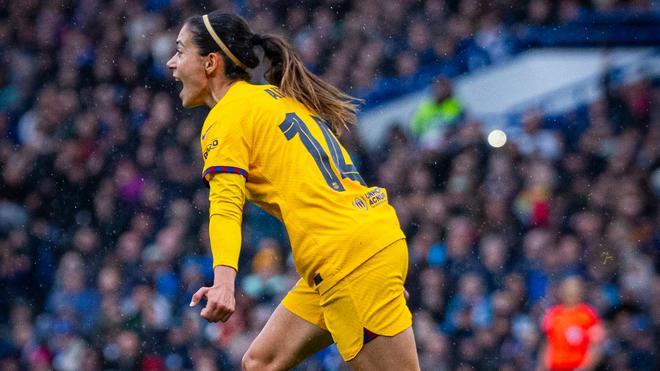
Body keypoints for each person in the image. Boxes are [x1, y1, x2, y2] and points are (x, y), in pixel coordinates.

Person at [166, 11, 420, 370]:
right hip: (359, 245)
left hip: (346, 259)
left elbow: (225, 204)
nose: (171, 62)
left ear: (210, 63)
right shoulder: (276, 97)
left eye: (180, 51)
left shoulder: (226, 117)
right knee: (259, 363)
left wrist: (223, 281)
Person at [537, 276, 605, 371]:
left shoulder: (589, 315)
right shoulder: (553, 314)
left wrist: (585, 368)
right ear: (561, 291)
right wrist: (543, 366)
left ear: (581, 291)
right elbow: (547, 344)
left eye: (574, 288)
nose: (571, 292)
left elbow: (596, 346)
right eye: (568, 288)